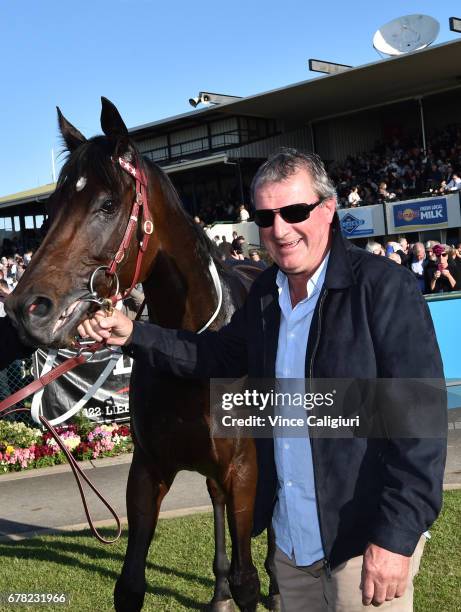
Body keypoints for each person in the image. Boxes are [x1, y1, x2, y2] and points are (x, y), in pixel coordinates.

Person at [79, 149, 446, 611]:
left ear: (328, 210)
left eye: (294, 212)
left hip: (362, 546)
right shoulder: (266, 298)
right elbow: (212, 354)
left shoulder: (384, 288)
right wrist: (133, 333)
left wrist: (395, 538)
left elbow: (419, 424)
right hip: (291, 553)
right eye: (265, 217)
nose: (280, 230)